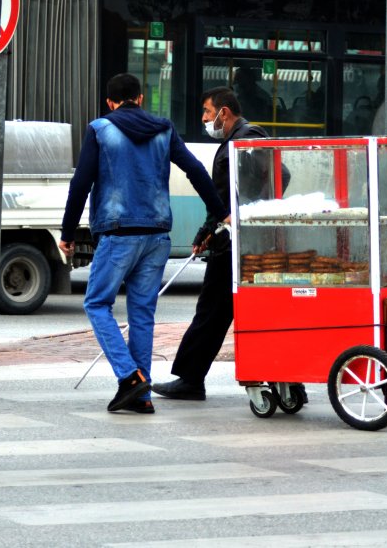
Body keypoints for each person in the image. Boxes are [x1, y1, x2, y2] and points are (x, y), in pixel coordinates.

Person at [59, 73, 229, 414]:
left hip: (118, 233)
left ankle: (130, 377)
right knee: (142, 315)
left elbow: (81, 184)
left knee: (96, 304)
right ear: (139, 99)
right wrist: (220, 212)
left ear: (110, 102)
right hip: (156, 236)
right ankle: (142, 396)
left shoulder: (100, 129)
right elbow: (196, 170)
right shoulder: (164, 130)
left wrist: (66, 232)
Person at [152, 88, 279, 402]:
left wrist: (233, 220)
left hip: (238, 246)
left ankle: (191, 379)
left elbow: (230, 199)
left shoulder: (245, 141)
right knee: (226, 313)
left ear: (224, 112)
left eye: (207, 112)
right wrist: (211, 229)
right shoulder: (239, 142)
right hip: (241, 242)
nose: (204, 119)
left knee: (211, 312)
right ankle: (277, 377)